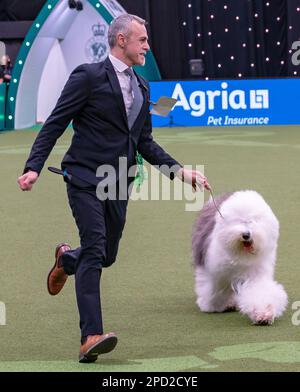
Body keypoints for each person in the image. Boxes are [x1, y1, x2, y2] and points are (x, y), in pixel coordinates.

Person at [17, 14, 210, 363]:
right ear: (121, 40)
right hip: (83, 178)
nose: (147, 47)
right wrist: (32, 167)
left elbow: (145, 142)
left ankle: (65, 258)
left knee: (107, 254)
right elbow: (56, 122)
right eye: (142, 41)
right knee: (94, 248)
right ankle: (90, 336)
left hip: (119, 181)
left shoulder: (143, 86)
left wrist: (181, 173)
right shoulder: (88, 76)